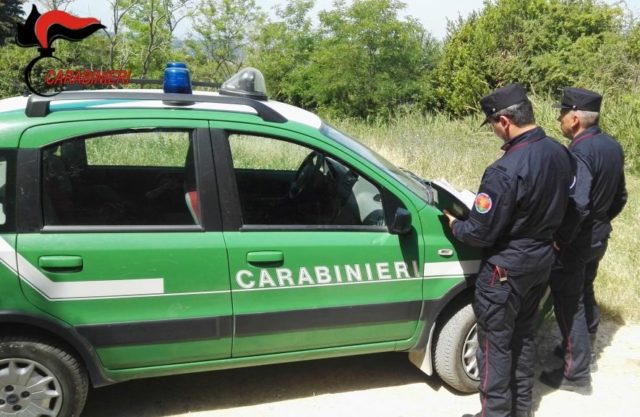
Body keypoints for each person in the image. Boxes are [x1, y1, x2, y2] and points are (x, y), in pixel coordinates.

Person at [443, 83, 574, 417]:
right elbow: (575, 208)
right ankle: (521, 409)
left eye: (491, 125)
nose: (493, 132)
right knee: (524, 337)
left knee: (495, 345)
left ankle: (495, 413)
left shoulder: (504, 170)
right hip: (541, 261)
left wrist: (455, 224)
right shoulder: (560, 153)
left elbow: (480, 232)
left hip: (505, 270)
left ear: (503, 121)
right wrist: (557, 239)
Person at [539, 87, 627, 393]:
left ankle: (576, 373)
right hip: (597, 236)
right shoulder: (612, 146)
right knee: (585, 288)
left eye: (562, 113)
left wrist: (562, 238)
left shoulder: (579, 152)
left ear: (575, 118)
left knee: (569, 302)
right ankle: (581, 344)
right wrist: (600, 223)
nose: (560, 119)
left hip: (576, 240)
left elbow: (579, 203)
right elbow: (621, 197)